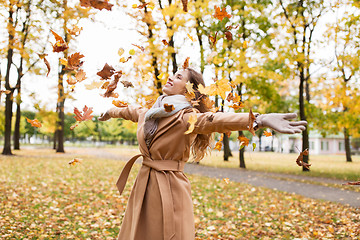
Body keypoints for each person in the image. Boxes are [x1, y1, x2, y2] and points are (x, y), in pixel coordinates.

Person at [98, 68, 307, 240]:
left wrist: (258, 119)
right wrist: (108, 112)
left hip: (169, 188)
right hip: (144, 184)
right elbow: (127, 110)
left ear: (189, 90)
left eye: (179, 77)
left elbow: (216, 120)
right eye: (173, 74)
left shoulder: (188, 117)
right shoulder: (149, 112)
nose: (171, 77)